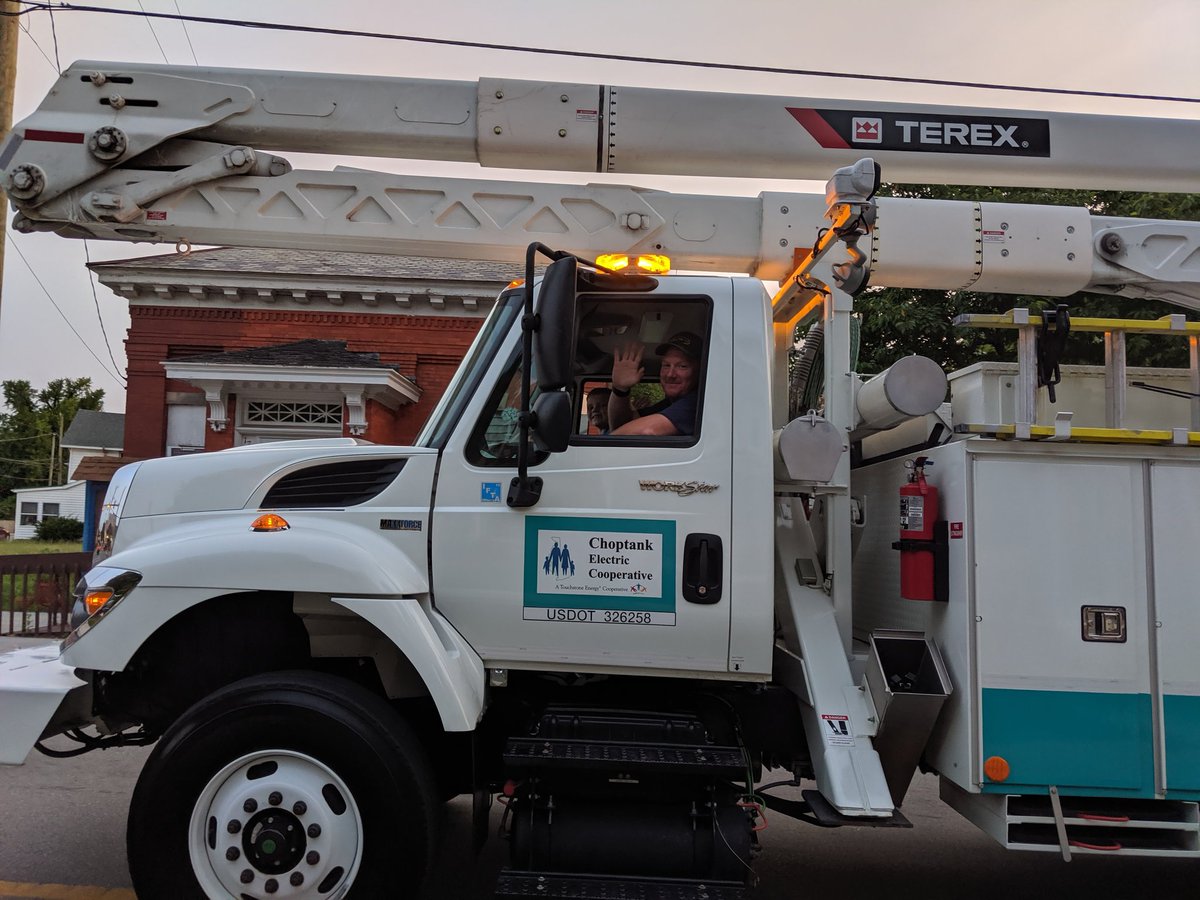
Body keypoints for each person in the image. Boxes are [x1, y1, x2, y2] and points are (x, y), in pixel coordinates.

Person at [607, 331, 702, 436]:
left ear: (699, 371)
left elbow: (648, 430)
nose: (670, 374)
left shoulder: (697, 403)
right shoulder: (668, 404)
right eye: (666, 365)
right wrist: (620, 389)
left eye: (682, 366)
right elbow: (623, 426)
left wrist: (600, 447)